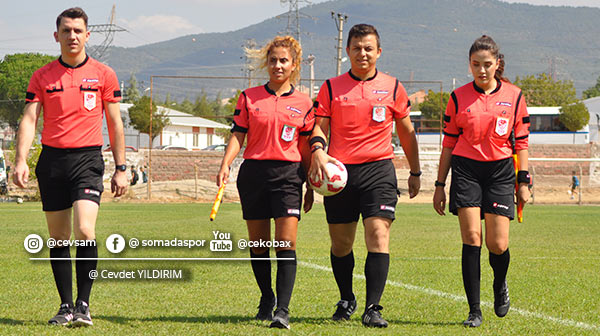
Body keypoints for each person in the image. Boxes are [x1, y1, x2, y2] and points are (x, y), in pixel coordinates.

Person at [13, 7, 128, 327]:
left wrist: (121, 166)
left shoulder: (104, 74)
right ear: (57, 36)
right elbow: (29, 119)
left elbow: (115, 123)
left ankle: (84, 304)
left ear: (87, 35)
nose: (72, 36)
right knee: (59, 238)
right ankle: (65, 306)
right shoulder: (42, 76)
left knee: (85, 230)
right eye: (66, 31)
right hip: (52, 162)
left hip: (88, 160)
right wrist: (20, 160)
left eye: (78, 31)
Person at [309, 24, 421, 328]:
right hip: (340, 174)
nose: (363, 53)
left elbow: (407, 132)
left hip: (379, 171)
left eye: (368, 48)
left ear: (379, 52)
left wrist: (415, 171)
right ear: (347, 52)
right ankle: (347, 298)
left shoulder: (394, 87)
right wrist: (318, 150)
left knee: (378, 235)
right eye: (357, 48)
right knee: (341, 245)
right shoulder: (331, 88)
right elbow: (319, 126)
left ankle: (373, 308)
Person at [216, 35, 314, 330]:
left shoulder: (304, 102)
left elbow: (307, 146)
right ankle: (266, 297)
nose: (277, 65)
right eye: (273, 60)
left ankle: (282, 310)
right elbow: (238, 135)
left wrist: (310, 183)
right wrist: (226, 163)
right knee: (259, 245)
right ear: (266, 63)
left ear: (294, 65)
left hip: (288, 175)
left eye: (283, 60)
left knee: (286, 243)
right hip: (254, 174)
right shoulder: (248, 97)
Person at [433, 35, 530, 328]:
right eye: (476, 65)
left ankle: (499, 283)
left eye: (487, 64)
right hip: (466, 170)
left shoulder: (515, 96)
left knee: (497, 244)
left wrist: (523, 183)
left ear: (497, 64)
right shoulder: (457, 97)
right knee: (472, 237)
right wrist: (439, 185)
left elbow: (522, 143)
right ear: (469, 65)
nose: (482, 70)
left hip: (500, 171)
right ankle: (474, 310)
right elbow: (448, 144)